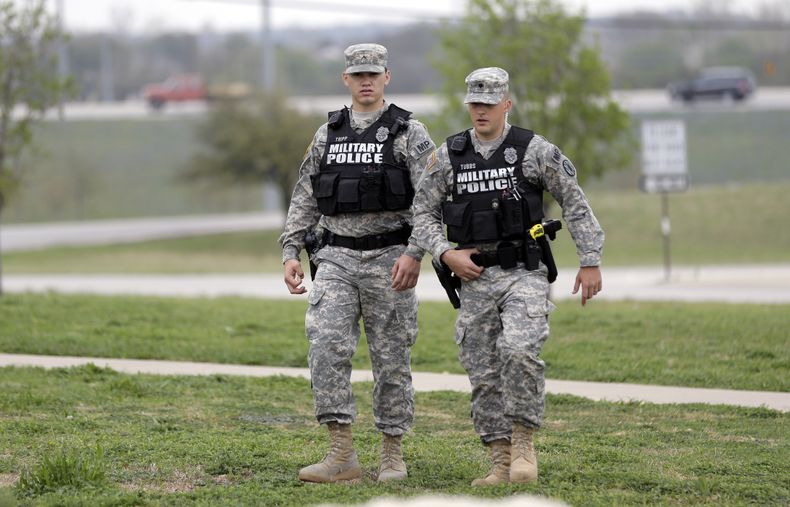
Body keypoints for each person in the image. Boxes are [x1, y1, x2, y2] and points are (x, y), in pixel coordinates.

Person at [412, 67, 604, 486]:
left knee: (519, 351)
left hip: (524, 272)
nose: (480, 111)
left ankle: (523, 447)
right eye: (474, 103)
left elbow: (574, 201)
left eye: (488, 103)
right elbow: (421, 213)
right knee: (482, 370)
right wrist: (446, 252)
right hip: (474, 277)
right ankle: (499, 460)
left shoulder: (533, 150)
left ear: (506, 104)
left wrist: (590, 258)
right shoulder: (449, 155)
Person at [278, 43, 435, 484]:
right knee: (326, 349)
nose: (366, 81)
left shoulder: (410, 131)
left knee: (390, 360)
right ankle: (341, 454)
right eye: (358, 74)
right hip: (336, 257)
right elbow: (306, 194)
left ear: (387, 76)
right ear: (345, 79)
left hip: (391, 260)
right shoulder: (328, 132)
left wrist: (414, 253)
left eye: (374, 73)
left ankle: (391, 454)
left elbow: (432, 200)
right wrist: (291, 251)